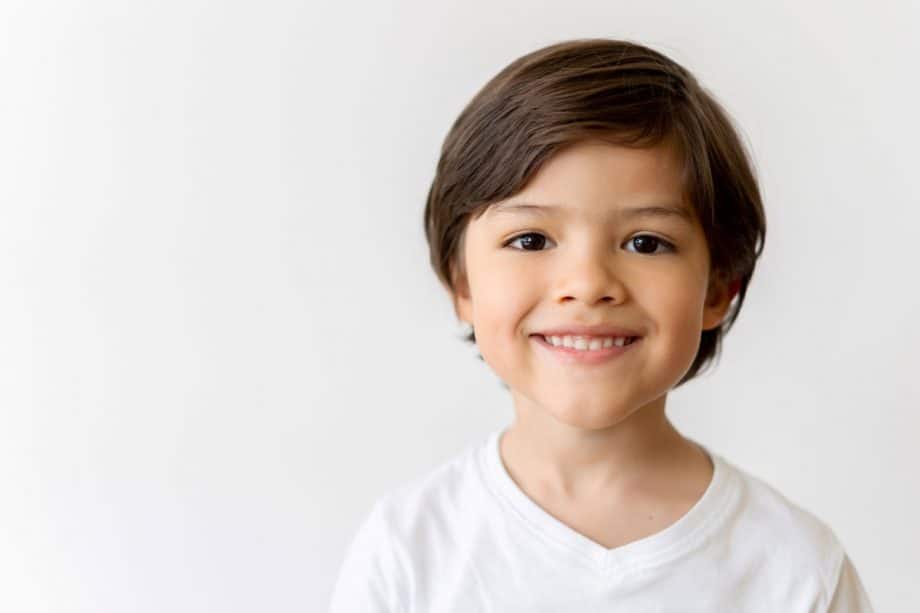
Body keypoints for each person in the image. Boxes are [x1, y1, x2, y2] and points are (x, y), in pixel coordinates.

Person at [328, 38, 874, 611]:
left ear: (718, 289)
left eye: (646, 242)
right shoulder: (409, 551)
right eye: (531, 239)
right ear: (462, 283)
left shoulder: (795, 569)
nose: (588, 284)